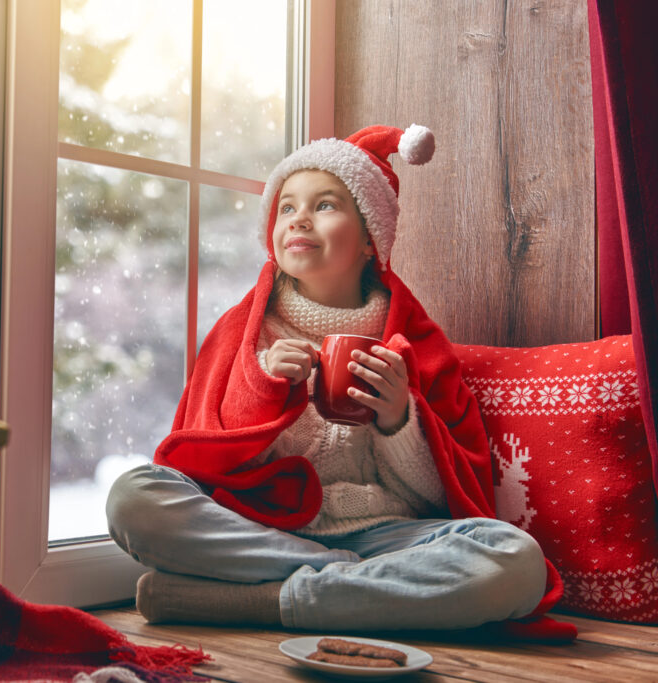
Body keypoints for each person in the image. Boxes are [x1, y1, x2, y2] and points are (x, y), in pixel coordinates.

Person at [105, 125, 576, 640]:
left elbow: (442, 497)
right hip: (265, 529)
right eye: (286, 207)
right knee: (133, 497)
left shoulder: (415, 346)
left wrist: (400, 421)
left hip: (388, 535)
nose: (299, 218)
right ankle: (352, 585)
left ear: (371, 239)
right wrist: (264, 387)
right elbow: (212, 464)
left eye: (324, 205)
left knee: (515, 560)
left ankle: (264, 601)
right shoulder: (244, 337)